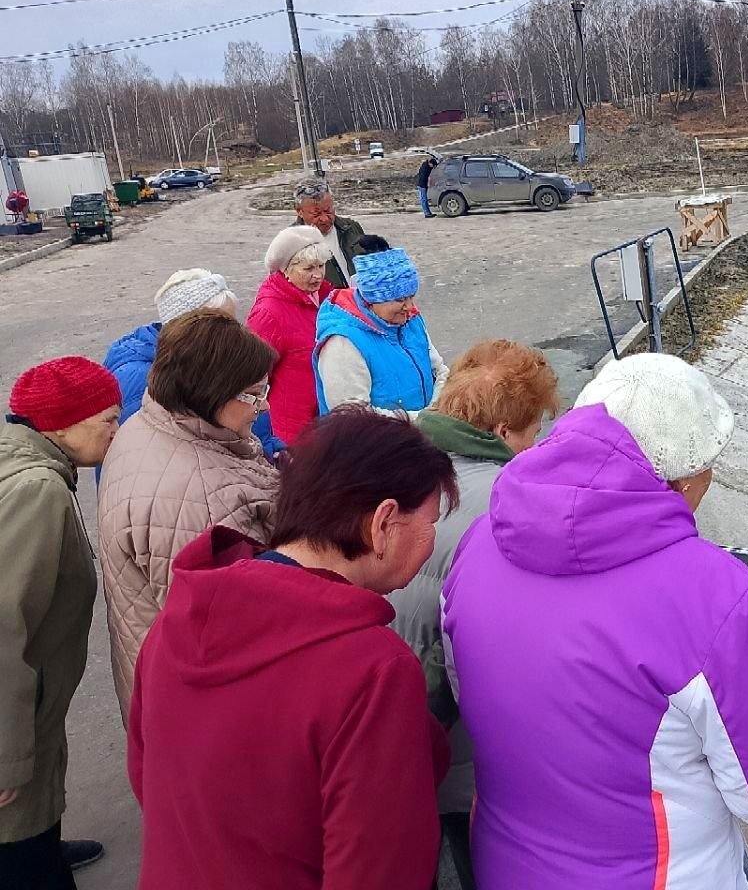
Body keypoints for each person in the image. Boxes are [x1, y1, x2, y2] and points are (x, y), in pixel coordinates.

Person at [441, 353, 748, 889]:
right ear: (688, 478)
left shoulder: (478, 544)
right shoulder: (717, 595)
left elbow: (469, 695)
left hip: (506, 865)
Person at [128, 408, 455, 890]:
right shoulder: (371, 668)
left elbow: (147, 777)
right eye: (431, 522)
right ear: (383, 522)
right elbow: (379, 868)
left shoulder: (180, 616)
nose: (432, 541)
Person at [388, 339, 560, 890]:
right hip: (458, 743)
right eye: (534, 430)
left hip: (392, 719)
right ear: (504, 431)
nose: (537, 443)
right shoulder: (508, 503)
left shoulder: (396, 464)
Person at [98, 310, 279, 723]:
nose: (265, 405)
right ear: (210, 392)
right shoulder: (204, 502)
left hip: (155, 684)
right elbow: (234, 640)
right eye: (253, 394)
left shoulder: (150, 424)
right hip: (206, 716)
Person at [0, 358, 121, 887]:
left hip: (33, 698)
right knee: (18, 840)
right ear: (62, 426)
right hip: (16, 708)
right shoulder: (37, 490)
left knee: (36, 804)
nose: (117, 432)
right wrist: (5, 758)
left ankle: (43, 841)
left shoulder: (24, 457)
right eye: (108, 420)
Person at [103, 269, 285, 460]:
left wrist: (274, 451)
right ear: (189, 328)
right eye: (221, 326)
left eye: (233, 322)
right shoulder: (141, 379)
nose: (234, 334)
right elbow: (131, 456)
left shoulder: (214, 363)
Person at [314, 247, 449, 418]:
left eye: (411, 296)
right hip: (380, 435)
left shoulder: (410, 320)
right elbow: (352, 415)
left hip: (424, 428)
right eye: (400, 299)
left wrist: (437, 409)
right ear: (372, 300)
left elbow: (439, 370)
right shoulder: (343, 343)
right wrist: (420, 420)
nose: (409, 306)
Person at [246, 226, 335, 445]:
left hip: (325, 416)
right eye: (308, 268)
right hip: (292, 427)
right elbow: (252, 377)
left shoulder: (327, 297)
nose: (318, 275)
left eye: (321, 266)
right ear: (286, 269)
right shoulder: (269, 313)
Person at [293, 179, 366, 290]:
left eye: (328, 211)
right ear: (299, 211)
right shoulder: (291, 243)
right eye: (316, 214)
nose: (324, 219)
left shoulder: (351, 228)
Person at [416, 154, 438, 218]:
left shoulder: (426, 165)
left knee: (424, 199)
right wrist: (427, 184)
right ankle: (427, 213)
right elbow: (424, 178)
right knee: (424, 200)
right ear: (430, 163)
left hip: (422, 185)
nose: (433, 167)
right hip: (422, 185)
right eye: (433, 166)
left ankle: (428, 213)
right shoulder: (425, 169)